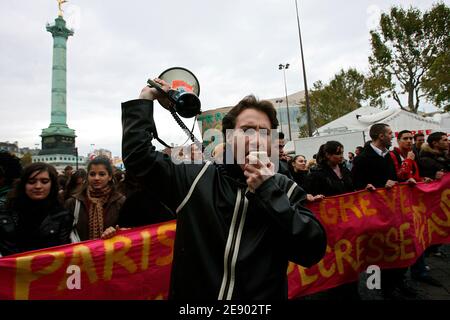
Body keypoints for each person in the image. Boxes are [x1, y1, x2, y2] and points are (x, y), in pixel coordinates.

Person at [121, 79, 327, 300]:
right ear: (228, 137)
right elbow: (139, 159)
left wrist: (269, 192)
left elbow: (311, 250)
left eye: (265, 132)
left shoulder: (286, 189)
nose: (256, 139)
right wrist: (145, 100)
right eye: (247, 130)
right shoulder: (196, 177)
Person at [352, 123, 416, 300]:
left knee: (393, 250)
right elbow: (356, 186)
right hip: (373, 215)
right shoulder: (362, 159)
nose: (391, 136)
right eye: (389, 133)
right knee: (376, 253)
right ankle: (377, 289)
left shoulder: (388, 156)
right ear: (380, 136)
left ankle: (393, 285)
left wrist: (402, 182)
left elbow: (393, 178)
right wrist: (372, 187)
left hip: (390, 213)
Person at [390, 130, 441, 287]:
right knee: (408, 239)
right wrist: (409, 161)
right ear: (398, 140)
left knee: (419, 235)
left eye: (411, 138)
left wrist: (422, 180)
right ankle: (401, 278)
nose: (410, 141)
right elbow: (400, 176)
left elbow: (414, 176)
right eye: (406, 139)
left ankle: (419, 271)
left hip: (414, 203)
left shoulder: (412, 155)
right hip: (400, 205)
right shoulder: (393, 156)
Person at [0, 163, 72, 256]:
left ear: (52, 185)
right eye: (31, 181)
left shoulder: (63, 216)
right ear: (23, 184)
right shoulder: (5, 213)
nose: (38, 186)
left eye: (44, 181)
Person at [65, 157, 125, 241]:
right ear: (87, 176)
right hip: (81, 252)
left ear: (110, 177)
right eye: (92, 174)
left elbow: (128, 232)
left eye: (102, 174)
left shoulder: (120, 201)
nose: (96, 178)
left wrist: (116, 232)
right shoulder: (73, 202)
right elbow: (65, 232)